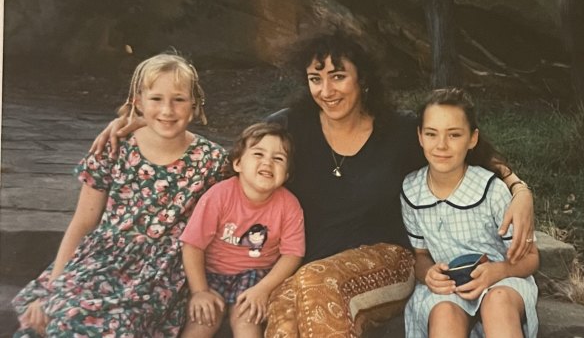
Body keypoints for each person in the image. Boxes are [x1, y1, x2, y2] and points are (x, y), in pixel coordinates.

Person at [90, 30, 535, 335]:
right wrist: (142, 125)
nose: (327, 89)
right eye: (315, 78)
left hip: (387, 262)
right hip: (306, 270)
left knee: (312, 285)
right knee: (282, 310)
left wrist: (520, 190)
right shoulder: (293, 126)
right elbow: (239, 156)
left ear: (362, 79)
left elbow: (472, 150)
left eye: (338, 76)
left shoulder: (399, 129)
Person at [12, 52, 228, 337]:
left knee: (118, 325)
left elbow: (254, 167)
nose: (167, 110)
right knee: (59, 315)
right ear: (138, 102)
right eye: (156, 99)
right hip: (100, 260)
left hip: (159, 272)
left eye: (178, 99)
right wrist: (55, 284)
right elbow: (83, 223)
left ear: (194, 104)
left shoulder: (213, 160)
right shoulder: (114, 148)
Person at [400, 88, 538, 337]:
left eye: (454, 135)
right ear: (420, 136)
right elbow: (420, 254)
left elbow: (531, 257)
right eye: (431, 134)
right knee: (444, 313)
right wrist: (428, 274)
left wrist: (500, 270)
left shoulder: (492, 190)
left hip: (502, 281)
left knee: (497, 302)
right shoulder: (411, 190)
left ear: (472, 139)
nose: (441, 145)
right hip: (449, 289)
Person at [179, 122, 305, 338]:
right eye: (258, 154)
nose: (268, 162)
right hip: (212, 274)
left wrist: (263, 289)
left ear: (286, 175)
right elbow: (192, 245)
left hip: (256, 277)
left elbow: (292, 254)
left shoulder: (289, 205)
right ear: (237, 163)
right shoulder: (219, 195)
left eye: (278, 158)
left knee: (246, 320)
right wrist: (199, 292)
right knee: (201, 322)